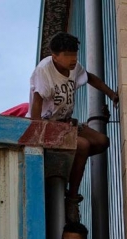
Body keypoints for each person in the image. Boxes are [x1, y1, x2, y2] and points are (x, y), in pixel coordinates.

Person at [29, 32, 119, 223]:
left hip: (67, 123)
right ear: (55, 56)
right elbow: (36, 103)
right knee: (83, 145)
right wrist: (38, 135)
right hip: (47, 125)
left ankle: (72, 167)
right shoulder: (44, 71)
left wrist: (112, 94)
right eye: (68, 56)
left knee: (102, 142)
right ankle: (72, 199)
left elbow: (90, 78)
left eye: (75, 55)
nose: (73, 60)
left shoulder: (73, 66)